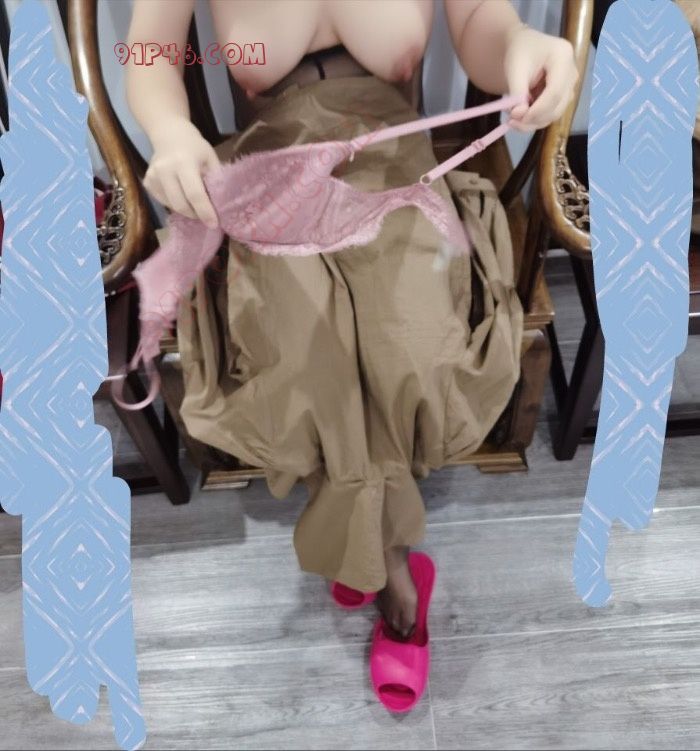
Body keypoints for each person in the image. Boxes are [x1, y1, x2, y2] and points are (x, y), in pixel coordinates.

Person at [124, 0, 578, 642]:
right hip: (270, 171)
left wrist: (518, 42)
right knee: (309, 362)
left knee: (409, 350)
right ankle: (387, 555)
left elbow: (480, 16)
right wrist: (171, 130)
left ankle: (359, 540)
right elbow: (151, 50)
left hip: (396, 164)